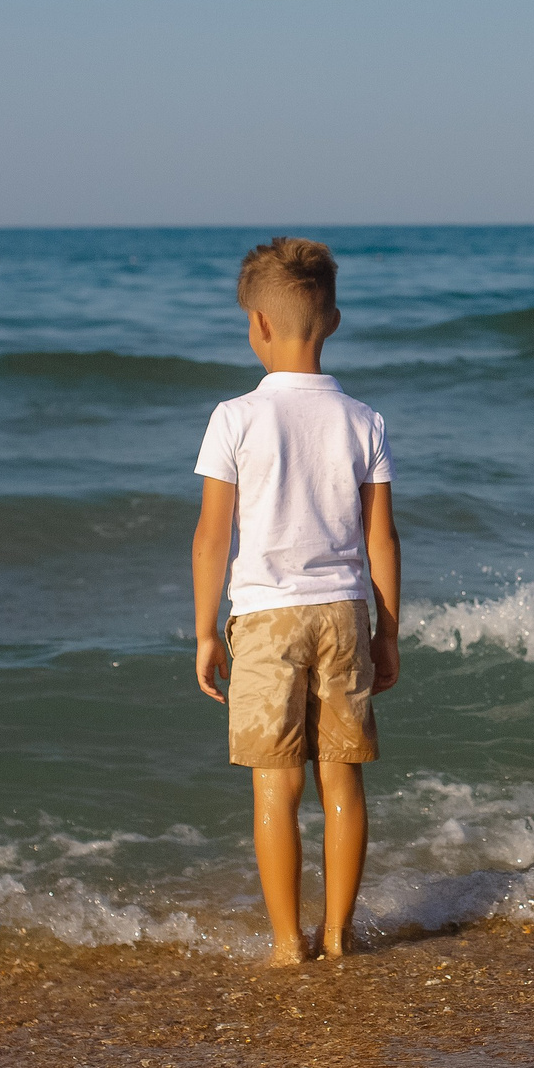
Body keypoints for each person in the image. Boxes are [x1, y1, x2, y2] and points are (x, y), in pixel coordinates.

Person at [192, 237, 402, 966]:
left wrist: (204, 634)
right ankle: (338, 937)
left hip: (264, 617)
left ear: (257, 325)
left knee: (275, 788)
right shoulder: (363, 419)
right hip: (344, 612)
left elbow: (211, 539)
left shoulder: (235, 417)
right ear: (334, 319)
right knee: (341, 778)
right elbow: (383, 541)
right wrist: (389, 633)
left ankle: (288, 945)